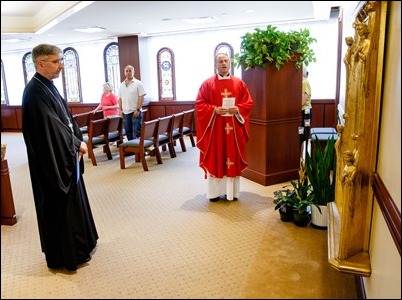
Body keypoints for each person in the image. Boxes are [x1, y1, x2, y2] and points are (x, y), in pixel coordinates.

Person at [21, 44, 98, 272]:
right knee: (61, 206)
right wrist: (76, 143)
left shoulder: (48, 86)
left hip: (66, 157)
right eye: (56, 61)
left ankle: (83, 244)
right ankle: (67, 254)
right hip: (52, 166)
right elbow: (51, 129)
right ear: (40, 63)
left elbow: (66, 118)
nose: (61, 66)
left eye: (61, 60)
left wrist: (76, 137)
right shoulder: (34, 93)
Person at [195, 53, 254, 202]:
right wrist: (213, 109)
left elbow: (248, 103)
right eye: (220, 61)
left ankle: (232, 193)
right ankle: (214, 194)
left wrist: (238, 109)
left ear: (230, 63)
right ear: (216, 65)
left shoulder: (239, 83)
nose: (223, 63)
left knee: (231, 158)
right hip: (216, 129)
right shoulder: (208, 84)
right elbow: (199, 104)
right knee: (217, 156)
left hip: (233, 130)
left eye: (226, 61)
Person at [118, 65, 146, 140]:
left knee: (138, 131)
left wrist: (138, 109)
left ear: (133, 72)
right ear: (124, 72)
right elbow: (120, 99)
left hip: (135, 112)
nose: (128, 72)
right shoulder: (121, 85)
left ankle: (140, 149)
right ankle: (132, 148)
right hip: (125, 113)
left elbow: (141, 97)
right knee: (128, 132)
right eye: (126, 71)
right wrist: (120, 110)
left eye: (130, 71)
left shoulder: (138, 83)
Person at [301, 66, 312, 143]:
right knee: (301, 131)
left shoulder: (304, 82)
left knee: (305, 130)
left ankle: (303, 151)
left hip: (306, 111)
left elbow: (303, 99)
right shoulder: (302, 81)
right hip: (303, 110)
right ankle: (301, 151)